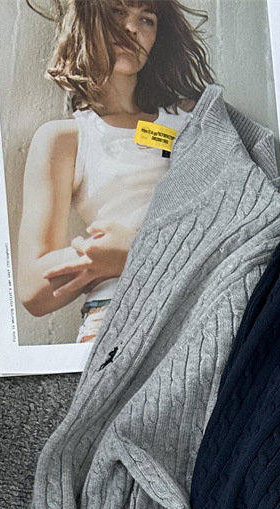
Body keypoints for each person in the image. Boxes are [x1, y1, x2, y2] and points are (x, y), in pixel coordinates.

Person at [16, 0, 213, 342]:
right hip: (112, 319)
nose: (133, 28)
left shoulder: (194, 118)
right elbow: (33, 289)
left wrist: (134, 252)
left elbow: (239, 220)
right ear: (87, 20)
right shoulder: (65, 139)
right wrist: (102, 259)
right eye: (117, 13)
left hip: (199, 310)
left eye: (147, 19)